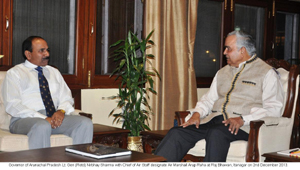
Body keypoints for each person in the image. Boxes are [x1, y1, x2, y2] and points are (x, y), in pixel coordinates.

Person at [154, 30, 284, 162]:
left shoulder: (267, 73)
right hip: (214, 122)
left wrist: (243, 119)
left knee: (217, 133)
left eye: (228, 48)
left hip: (243, 127)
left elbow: (274, 109)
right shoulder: (222, 72)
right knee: (177, 133)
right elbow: (209, 99)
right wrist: (197, 113)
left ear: (242, 50)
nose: (224, 53)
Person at [1, 36, 93, 149]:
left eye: (47, 50)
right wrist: (42, 118)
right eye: (41, 51)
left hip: (52, 117)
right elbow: (13, 105)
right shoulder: (15, 73)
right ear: (28, 54)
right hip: (24, 119)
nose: (47, 54)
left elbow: (66, 97)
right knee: (42, 125)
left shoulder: (54, 72)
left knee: (85, 123)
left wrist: (61, 111)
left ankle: (78, 163)